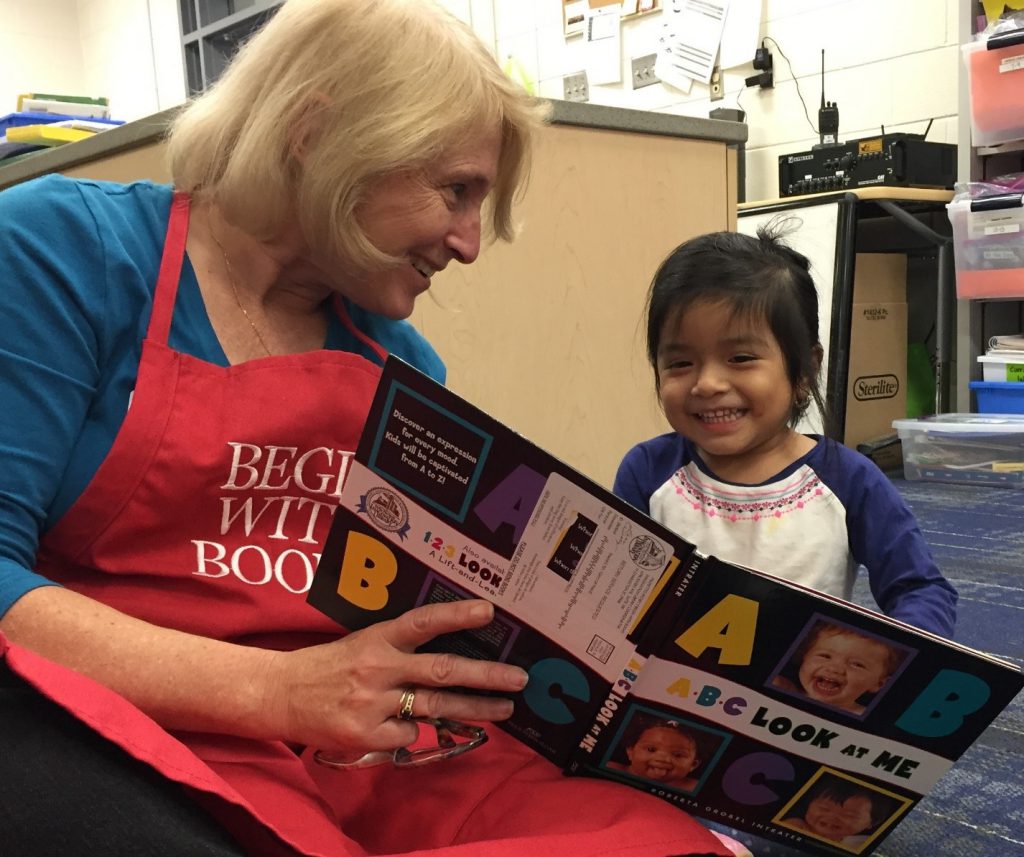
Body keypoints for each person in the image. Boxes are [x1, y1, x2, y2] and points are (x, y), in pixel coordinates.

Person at [0, 2, 739, 856]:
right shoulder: (66, 252)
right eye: (455, 192)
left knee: (660, 840)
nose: (469, 244)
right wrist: (276, 689)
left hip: (366, 734)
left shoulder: (402, 362)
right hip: (149, 720)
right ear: (316, 134)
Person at [613, 228, 958, 638]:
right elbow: (614, 588)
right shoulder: (647, 472)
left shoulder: (848, 479)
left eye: (740, 358)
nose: (706, 384)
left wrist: (896, 653)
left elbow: (920, 588)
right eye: (680, 363)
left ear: (804, 371)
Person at [772, 622, 905, 715]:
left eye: (857, 664)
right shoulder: (783, 688)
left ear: (879, 684)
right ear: (804, 656)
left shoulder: (865, 715)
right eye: (825, 656)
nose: (835, 668)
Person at [782, 780, 886, 849]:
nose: (832, 817)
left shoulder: (862, 844)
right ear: (808, 805)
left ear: (873, 822)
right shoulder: (795, 827)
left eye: (848, 815)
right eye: (824, 809)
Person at [607, 717, 704, 791]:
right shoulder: (611, 769)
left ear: (693, 765)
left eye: (677, 755)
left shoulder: (693, 787)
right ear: (630, 752)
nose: (662, 759)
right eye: (651, 749)